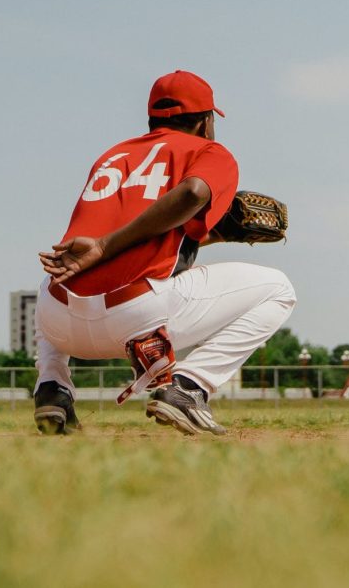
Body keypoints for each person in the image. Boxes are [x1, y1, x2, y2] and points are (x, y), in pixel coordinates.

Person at [33, 70, 296, 435]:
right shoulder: (210, 152)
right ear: (206, 121)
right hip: (135, 317)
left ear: (152, 119)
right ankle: (188, 388)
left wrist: (212, 235)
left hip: (59, 324)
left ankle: (52, 388)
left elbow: (130, 241)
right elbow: (192, 193)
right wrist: (107, 245)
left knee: (57, 277)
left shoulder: (112, 156)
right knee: (279, 289)